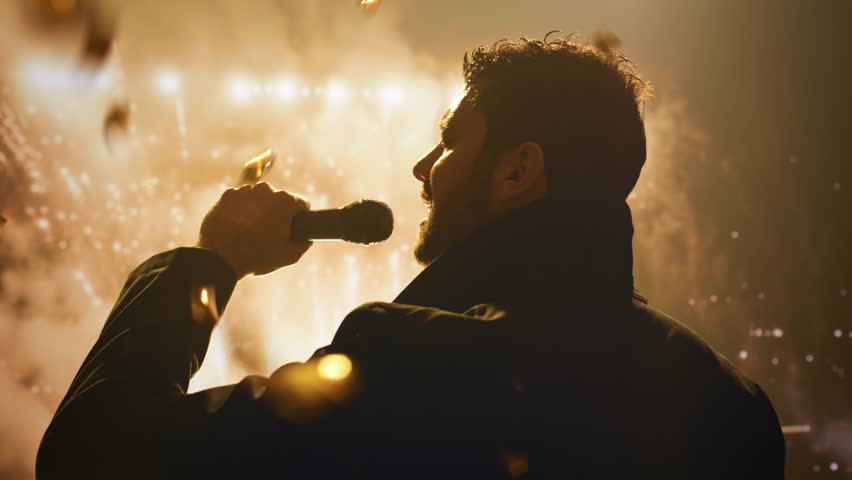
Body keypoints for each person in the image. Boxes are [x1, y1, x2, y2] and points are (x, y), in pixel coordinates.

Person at [36, 35, 785, 479]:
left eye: (453, 141)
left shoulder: (413, 362)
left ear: (517, 171)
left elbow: (95, 458)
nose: (424, 171)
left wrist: (211, 261)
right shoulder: (730, 407)